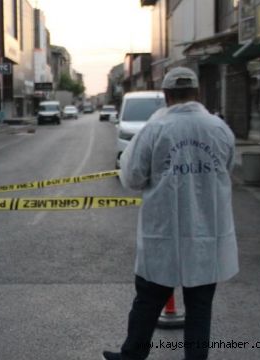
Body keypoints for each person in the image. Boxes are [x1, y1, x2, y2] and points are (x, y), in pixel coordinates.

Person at [103, 67, 238, 360]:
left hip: (163, 233)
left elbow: (133, 177)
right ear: (197, 93)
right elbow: (226, 170)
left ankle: (132, 356)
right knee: (200, 308)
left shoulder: (155, 129)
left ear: (166, 96)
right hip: (206, 233)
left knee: (148, 301)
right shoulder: (219, 128)